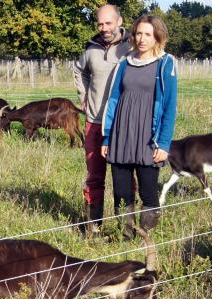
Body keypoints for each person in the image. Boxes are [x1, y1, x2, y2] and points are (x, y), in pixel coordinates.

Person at [101, 15, 177, 240]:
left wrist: (163, 143)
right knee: (121, 193)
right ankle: (126, 236)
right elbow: (113, 99)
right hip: (121, 135)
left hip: (148, 138)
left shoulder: (165, 63)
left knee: (148, 191)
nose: (142, 39)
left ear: (157, 37)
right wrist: (107, 138)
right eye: (138, 34)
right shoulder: (125, 62)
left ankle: (146, 238)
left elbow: (170, 107)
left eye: (148, 34)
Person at [74, 4, 132, 235]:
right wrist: (84, 94)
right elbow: (79, 70)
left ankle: (126, 228)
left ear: (119, 21)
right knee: (94, 176)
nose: (104, 28)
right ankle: (94, 226)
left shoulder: (132, 46)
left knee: (125, 178)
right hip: (95, 120)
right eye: (100, 23)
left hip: (123, 123)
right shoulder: (92, 48)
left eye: (108, 23)